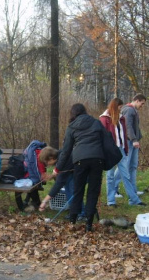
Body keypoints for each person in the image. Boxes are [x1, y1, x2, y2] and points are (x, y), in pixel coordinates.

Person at [56, 103, 105, 232]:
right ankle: (89, 224)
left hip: (79, 160)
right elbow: (107, 142)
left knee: (78, 190)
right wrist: (108, 160)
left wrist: (58, 168)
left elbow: (66, 151)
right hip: (97, 159)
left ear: (73, 114)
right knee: (93, 191)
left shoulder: (71, 127)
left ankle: (73, 220)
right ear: (85, 111)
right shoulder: (96, 123)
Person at [38, 146, 85, 220]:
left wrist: (44, 201)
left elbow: (59, 183)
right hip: (73, 172)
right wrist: (52, 176)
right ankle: (74, 211)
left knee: (73, 189)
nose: (47, 165)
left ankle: (81, 213)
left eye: (46, 162)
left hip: (85, 170)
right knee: (68, 187)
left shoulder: (63, 159)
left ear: (51, 158)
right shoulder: (60, 155)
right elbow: (61, 174)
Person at [119, 93, 147, 206]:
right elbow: (128, 126)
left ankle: (133, 192)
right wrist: (134, 139)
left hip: (134, 142)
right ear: (137, 100)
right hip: (130, 142)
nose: (142, 106)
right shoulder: (129, 110)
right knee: (124, 168)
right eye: (142, 103)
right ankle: (115, 189)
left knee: (133, 167)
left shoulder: (133, 110)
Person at [99, 98, 127, 207]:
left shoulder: (121, 118)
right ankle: (111, 200)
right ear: (115, 107)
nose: (121, 109)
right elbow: (103, 136)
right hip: (109, 150)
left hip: (120, 148)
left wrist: (125, 148)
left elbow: (123, 134)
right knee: (110, 175)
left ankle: (134, 198)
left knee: (126, 173)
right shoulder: (104, 119)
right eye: (119, 107)